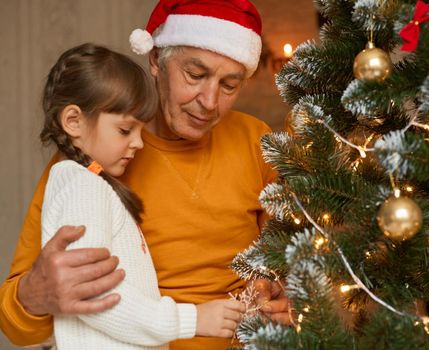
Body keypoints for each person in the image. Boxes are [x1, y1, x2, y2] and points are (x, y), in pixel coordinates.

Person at [0, 1, 289, 349]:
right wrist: (35, 296)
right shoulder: (90, 163)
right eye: (195, 75)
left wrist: (281, 290)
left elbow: (294, 253)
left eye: (229, 85)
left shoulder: (255, 141)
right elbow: (16, 326)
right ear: (155, 61)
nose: (210, 101)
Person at [38, 43, 246, 349]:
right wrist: (192, 319)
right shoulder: (82, 188)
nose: (139, 143)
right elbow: (92, 296)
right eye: (125, 131)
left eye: (140, 130)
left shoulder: (93, 183)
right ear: (73, 121)